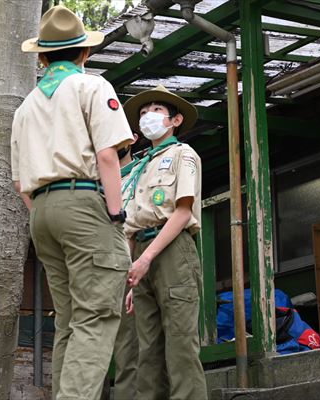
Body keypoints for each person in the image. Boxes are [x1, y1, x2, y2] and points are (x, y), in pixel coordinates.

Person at [11, 6, 133, 400]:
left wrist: (48, 212)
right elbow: (108, 156)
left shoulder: (25, 107)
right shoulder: (92, 87)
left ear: (42, 57)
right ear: (85, 53)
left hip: (42, 214)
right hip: (83, 204)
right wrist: (115, 215)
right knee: (97, 315)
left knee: (69, 321)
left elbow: (20, 184)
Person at [122, 85, 208, 399]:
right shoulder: (140, 165)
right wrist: (134, 275)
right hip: (141, 254)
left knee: (181, 347)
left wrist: (147, 259)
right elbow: (131, 224)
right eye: (143, 113)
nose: (148, 117)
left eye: (156, 110)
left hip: (172, 249)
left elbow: (183, 212)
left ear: (175, 120)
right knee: (148, 352)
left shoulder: (183, 155)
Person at [110, 134, 140, 400]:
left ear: (131, 140)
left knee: (128, 353)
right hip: (94, 269)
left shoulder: (143, 171)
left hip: (128, 270)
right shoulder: (92, 179)